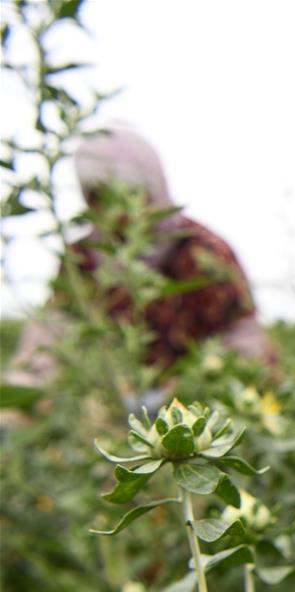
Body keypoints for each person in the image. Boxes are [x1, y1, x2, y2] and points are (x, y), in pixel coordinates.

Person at [6, 127, 275, 393]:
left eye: (125, 195)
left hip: (206, 410)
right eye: (98, 198)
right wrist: (27, 390)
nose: (114, 212)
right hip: (115, 409)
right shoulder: (83, 259)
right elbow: (53, 333)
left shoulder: (203, 253)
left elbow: (243, 339)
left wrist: (191, 386)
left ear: (152, 186)